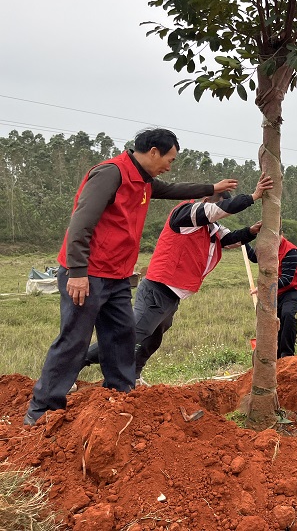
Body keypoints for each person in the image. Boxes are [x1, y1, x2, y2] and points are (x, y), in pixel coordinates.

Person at [24, 128, 238, 425]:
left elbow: (173, 189)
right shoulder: (111, 174)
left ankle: (120, 398)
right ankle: (42, 412)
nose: (169, 166)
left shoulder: (144, 181)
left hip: (118, 277)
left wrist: (211, 185)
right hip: (89, 275)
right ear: (153, 152)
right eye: (169, 159)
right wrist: (77, 271)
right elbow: (81, 222)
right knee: (74, 340)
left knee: (122, 337)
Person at [82, 173, 273, 381]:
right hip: (158, 287)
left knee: (152, 339)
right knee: (130, 335)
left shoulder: (211, 228)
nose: (219, 214)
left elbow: (230, 239)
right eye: (218, 206)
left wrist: (251, 231)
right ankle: (78, 362)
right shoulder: (185, 213)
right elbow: (218, 211)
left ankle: (132, 376)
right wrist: (253, 196)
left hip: (172, 293)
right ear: (206, 200)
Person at [247, 227, 297, 358]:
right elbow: (254, 257)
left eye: (275, 237)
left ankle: (287, 354)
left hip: (294, 289)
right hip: (274, 291)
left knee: (287, 314)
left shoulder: (291, 252)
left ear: (281, 235)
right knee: (272, 320)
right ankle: (275, 354)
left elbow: (286, 279)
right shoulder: (267, 248)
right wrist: (243, 241)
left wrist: (264, 287)